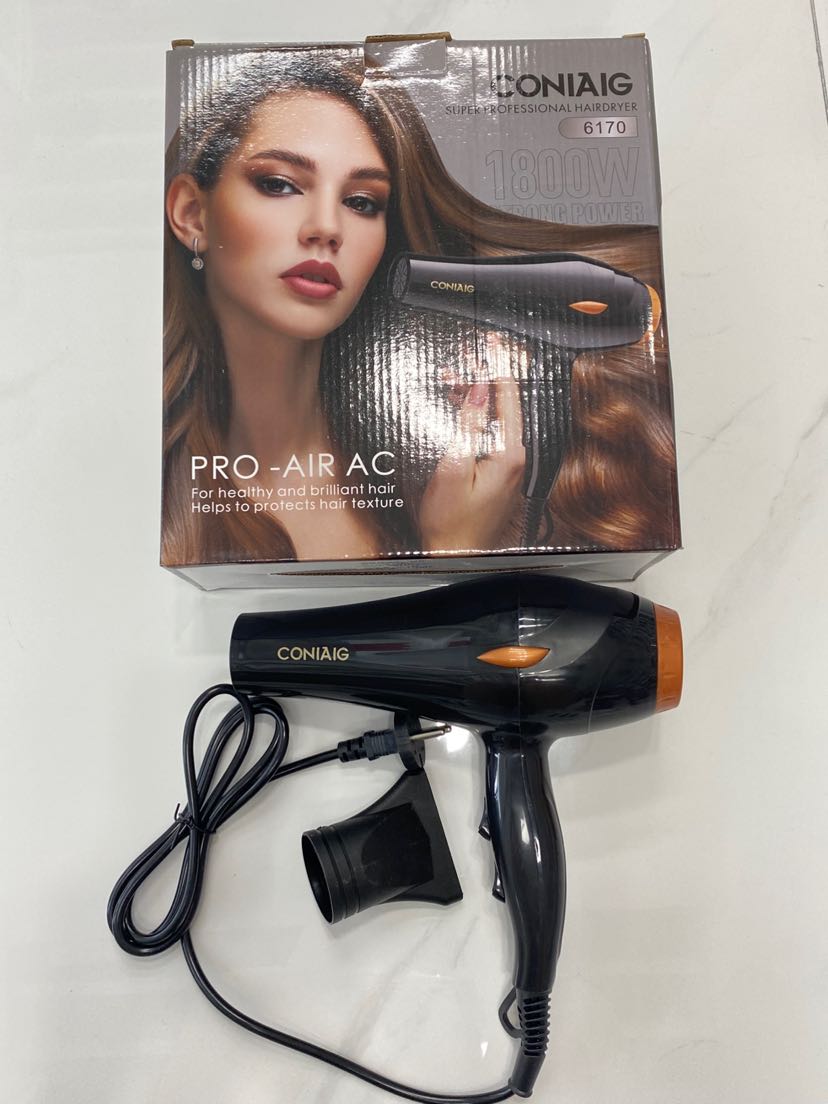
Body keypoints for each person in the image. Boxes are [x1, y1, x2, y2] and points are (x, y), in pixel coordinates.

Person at [163, 51, 677, 565]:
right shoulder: (162, 508)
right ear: (192, 215)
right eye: (279, 184)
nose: (326, 228)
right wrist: (454, 549)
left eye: (362, 202)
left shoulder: (470, 476)